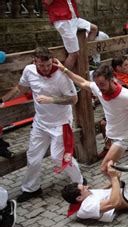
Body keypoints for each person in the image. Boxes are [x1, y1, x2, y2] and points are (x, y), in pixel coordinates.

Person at [0, 47, 84, 203]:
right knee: (33, 157)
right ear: (35, 62)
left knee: (59, 157)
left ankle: (80, 181)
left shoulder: (61, 75)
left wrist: (52, 100)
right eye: (41, 65)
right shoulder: (29, 70)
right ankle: (31, 188)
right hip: (40, 122)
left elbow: (73, 100)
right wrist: (3, 100)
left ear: (52, 61)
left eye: (48, 65)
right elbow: (21, 88)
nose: (45, 69)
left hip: (61, 123)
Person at [57, 62, 128, 176]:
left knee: (104, 168)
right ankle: (116, 184)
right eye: (97, 84)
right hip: (112, 133)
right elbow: (82, 82)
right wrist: (65, 70)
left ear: (112, 79)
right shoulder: (98, 88)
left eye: (102, 84)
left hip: (123, 138)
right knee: (111, 167)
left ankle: (118, 187)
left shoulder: (126, 95)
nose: (99, 88)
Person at [62, 154, 128, 222]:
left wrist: (114, 176)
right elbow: (114, 203)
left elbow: (105, 191)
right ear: (79, 198)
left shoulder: (87, 195)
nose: (87, 186)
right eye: (83, 188)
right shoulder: (86, 207)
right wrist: (113, 178)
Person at [43, 0, 98, 69]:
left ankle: (85, 52)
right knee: (73, 54)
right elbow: (47, 2)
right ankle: (65, 76)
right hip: (62, 20)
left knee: (94, 29)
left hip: (73, 17)